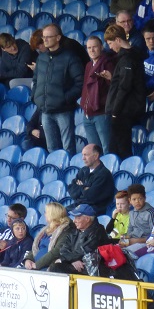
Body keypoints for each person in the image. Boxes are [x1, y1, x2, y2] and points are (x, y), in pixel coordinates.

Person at [32, 24, 84, 153]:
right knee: (51, 148)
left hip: (63, 110)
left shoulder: (70, 57)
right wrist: (35, 96)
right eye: (44, 37)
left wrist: (65, 99)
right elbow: (36, 80)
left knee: (68, 147)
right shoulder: (41, 58)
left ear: (58, 37)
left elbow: (80, 82)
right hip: (45, 110)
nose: (45, 40)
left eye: (49, 37)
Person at [103, 24, 147, 159]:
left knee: (120, 148)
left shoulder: (127, 59)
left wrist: (115, 111)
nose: (110, 47)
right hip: (125, 109)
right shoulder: (130, 56)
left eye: (110, 43)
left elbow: (124, 86)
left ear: (118, 39)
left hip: (124, 111)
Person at [47, 203, 109, 274]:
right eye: (74, 218)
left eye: (78, 218)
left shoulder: (98, 231)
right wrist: (72, 261)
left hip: (91, 267)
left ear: (87, 219)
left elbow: (85, 251)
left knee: (55, 268)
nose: (74, 221)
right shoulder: (75, 230)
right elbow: (63, 250)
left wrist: (64, 259)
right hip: (76, 263)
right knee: (54, 267)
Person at [80, 35, 115, 154]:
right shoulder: (88, 65)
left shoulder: (108, 63)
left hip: (102, 113)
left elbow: (114, 87)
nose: (92, 50)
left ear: (101, 47)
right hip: (87, 114)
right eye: (89, 48)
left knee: (106, 149)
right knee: (93, 150)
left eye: (94, 47)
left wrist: (110, 78)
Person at [24, 203, 76, 271]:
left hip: (47, 267)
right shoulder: (46, 229)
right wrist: (28, 259)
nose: (44, 214)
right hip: (35, 265)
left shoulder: (66, 230)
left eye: (46, 212)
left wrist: (37, 265)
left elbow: (57, 251)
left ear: (52, 214)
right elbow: (35, 247)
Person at [67, 143, 115, 216]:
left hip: (94, 210)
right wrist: (84, 188)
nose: (83, 158)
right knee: (56, 213)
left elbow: (90, 197)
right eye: (82, 155)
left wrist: (80, 189)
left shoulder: (104, 174)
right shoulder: (83, 171)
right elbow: (72, 191)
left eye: (86, 155)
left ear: (95, 156)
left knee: (63, 219)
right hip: (79, 205)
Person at [120, 183, 154, 255]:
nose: (137, 201)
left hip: (145, 243)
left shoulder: (150, 213)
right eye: (134, 199)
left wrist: (135, 241)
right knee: (115, 249)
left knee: (124, 253)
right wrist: (124, 239)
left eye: (140, 198)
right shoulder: (132, 213)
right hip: (132, 241)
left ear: (145, 198)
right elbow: (130, 230)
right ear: (130, 201)